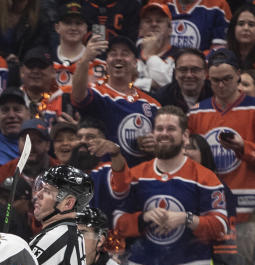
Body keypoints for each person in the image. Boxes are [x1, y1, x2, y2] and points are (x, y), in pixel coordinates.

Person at [111, 106, 232, 265]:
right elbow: (118, 223)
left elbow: (221, 225)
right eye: (159, 128)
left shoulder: (205, 177)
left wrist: (186, 219)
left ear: (185, 136)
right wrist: (143, 217)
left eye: (171, 128)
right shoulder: (136, 176)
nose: (164, 133)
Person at [187, 48, 255, 265]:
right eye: (215, 80)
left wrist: (243, 148)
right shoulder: (196, 113)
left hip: (248, 213)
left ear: (238, 74)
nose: (221, 85)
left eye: (227, 79)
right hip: (209, 212)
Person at [71, 34, 161, 166]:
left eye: (125, 54)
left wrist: (156, 145)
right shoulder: (98, 94)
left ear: (135, 62)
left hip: (141, 177)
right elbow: (77, 95)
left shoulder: (152, 104)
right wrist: (85, 60)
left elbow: (164, 143)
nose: (118, 58)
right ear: (106, 63)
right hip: (105, 177)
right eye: (113, 54)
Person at [152, 47, 212, 113]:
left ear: (205, 73)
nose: (189, 75)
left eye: (195, 70)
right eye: (183, 70)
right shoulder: (161, 98)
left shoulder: (215, 94)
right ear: (175, 73)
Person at [163, 0, 232, 52]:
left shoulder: (218, 5)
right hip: (161, 65)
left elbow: (219, 49)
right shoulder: (161, 2)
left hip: (201, 67)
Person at [0, 87, 32, 165]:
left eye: (17, 109)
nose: (11, 115)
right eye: (5, 110)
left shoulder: (40, 146)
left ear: (28, 114)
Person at [227, 4, 255, 71]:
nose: (246, 28)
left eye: (251, 24)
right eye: (241, 24)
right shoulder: (224, 56)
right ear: (233, 28)